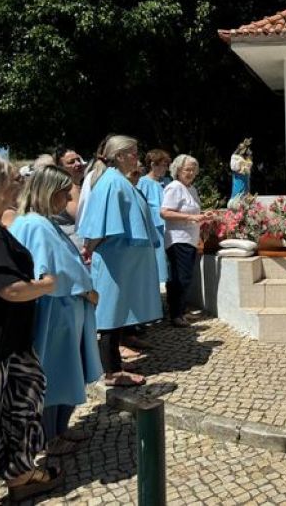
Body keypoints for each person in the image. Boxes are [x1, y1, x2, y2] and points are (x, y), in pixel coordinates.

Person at [0, 154, 61, 504]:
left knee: (24, 398)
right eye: (11, 178)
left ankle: (19, 473)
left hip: (6, 343)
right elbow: (10, 289)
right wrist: (47, 285)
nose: (18, 182)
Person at [9, 166, 102, 456]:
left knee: (65, 369)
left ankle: (59, 429)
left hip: (63, 310)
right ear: (49, 192)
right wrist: (87, 290)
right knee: (58, 373)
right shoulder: (35, 224)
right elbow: (53, 268)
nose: (67, 197)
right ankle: (50, 436)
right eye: (64, 192)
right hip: (57, 311)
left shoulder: (39, 222)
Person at [77, 135, 162, 386]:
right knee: (109, 315)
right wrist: (90, 250)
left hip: (121, 261)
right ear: (121, 155)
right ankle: (112, 372)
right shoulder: (112, 182)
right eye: (133, 152)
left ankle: (114, 368)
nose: (138, 156)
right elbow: (98, 227)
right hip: (113, 261)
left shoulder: (119, 181)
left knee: (116, 313)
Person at [161, 154, 207, 328]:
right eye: (187, 169)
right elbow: (164, 212)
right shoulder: (174, 187)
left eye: (194, 170)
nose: (191, 173)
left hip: (190, 238)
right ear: (178, 170)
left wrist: (203, 217)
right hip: (178, 239)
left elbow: (193, 215)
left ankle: (180, 311)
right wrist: (191, 217)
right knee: (181, 277)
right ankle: (176, 314)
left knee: (185, 277)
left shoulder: (191, 189)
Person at [137, 149, 171, 284]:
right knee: (159, 256)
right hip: (154, 224)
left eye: (166, 165)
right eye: (162, 165)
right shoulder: (143, 182)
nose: (165, 168)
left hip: (168, 223)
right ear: (152, 165)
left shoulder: (167, 181)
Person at [52, 147, 86, 251]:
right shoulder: (69, 188)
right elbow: (82, 219)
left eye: (78, 160)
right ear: (60, 168)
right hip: (75, 247)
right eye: (71, 162)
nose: (78, 164)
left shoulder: (79, 185)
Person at [229, 138, 253, 208]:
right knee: (238, 192)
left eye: (245, 148)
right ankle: (236, 205)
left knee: (245, 193)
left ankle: (245, 205)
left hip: (245, 177)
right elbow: (233, 167)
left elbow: (249, 166)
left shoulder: (247, 157)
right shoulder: (234, 157)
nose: (244, 149)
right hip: (238, 177)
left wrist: (247, 166)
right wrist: (240, 163)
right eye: (242, 148)